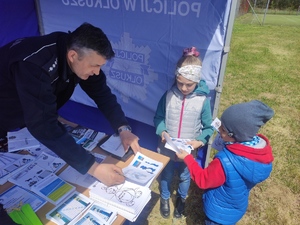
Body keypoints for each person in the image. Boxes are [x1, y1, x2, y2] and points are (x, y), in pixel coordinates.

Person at [0, 22, 141, 187]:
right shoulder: (35, 65)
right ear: (73, 56)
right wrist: (93, 168)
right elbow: (43, 124)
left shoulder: (75, 50)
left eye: (100, 66)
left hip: (21, 115)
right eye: (95, 66)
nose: (97, 72)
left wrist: (122, 128)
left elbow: (102, 94)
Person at [176, 100, 274, 225]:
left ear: (234, 135)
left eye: (222, 129)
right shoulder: (258, 151)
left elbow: (203, 180)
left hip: (217, 213)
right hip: (236, 208)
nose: (219, 130)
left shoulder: (224, 162)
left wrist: (187, 158)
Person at [153, 47, 214, 219]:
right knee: (166, 174)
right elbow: (158, 118)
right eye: (180, 83)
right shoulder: (168, 96)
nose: (184, 88)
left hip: (188, 150)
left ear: (197, 81)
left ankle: (181, 199)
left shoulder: (203, 101)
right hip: (168, 147)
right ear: (176, 78)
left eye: (189, 84)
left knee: (185, 176)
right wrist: (162, 131)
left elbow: (209, 128)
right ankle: (165, 198)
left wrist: (199, 141)